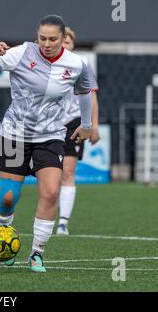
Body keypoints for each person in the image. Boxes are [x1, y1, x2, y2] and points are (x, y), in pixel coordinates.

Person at [0, 14, 93, 272]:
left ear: (64, 39)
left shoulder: (76, 64)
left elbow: (85, 92)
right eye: (42, 38)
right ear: (37, 36)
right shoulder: (21, 53)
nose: (47, 43)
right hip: (14, 133)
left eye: (53, 39)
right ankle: (5, 239)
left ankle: (37, 253)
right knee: (8, 198)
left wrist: (86, 125)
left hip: (51, 135)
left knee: (51, 191)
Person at [56, 27, 100, 235]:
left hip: (74, 122)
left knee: (68, 171)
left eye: (68, 41)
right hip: (48, 123)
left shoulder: (81, 63)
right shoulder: (45, 63)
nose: (65, 45)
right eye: (62, 41)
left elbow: (91, 96)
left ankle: (63, 222)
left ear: (73, 44)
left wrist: (93, 126)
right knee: (49, 174)